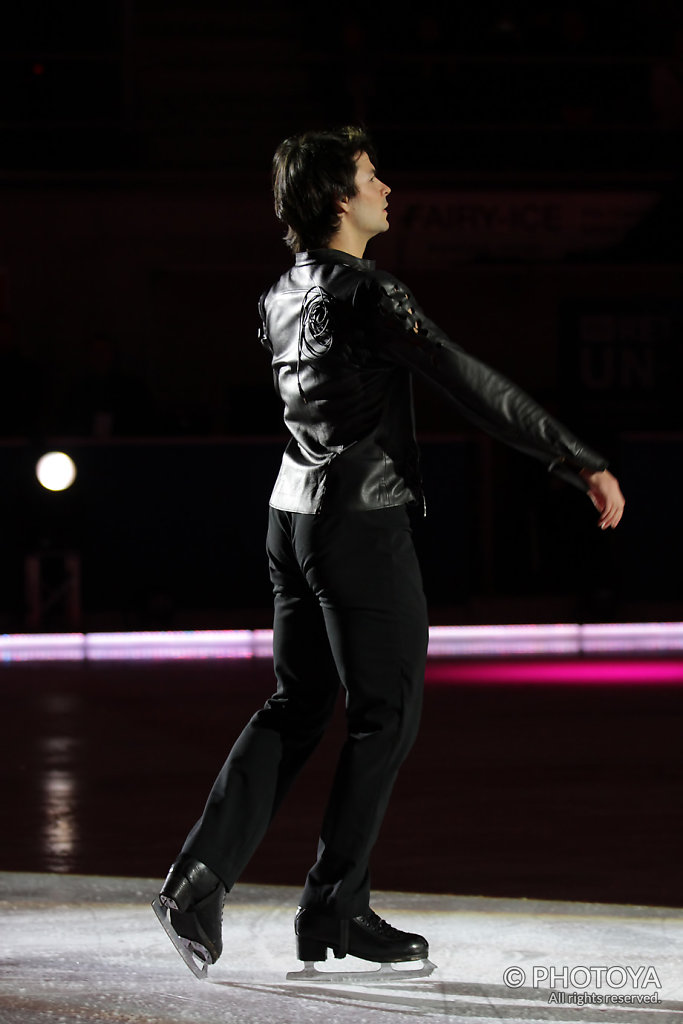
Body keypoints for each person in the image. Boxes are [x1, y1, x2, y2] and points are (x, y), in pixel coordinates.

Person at [153, 126, 624, 980]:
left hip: (287, 518)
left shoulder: (276, 296)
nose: (388, 188)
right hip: (358, 526)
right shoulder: (369, 294)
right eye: (372, 176)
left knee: (298, 705)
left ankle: (197, 876)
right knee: (386, 713)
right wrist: (573, 455)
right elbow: (464, 378)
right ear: (339, 198)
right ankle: (334, 906)